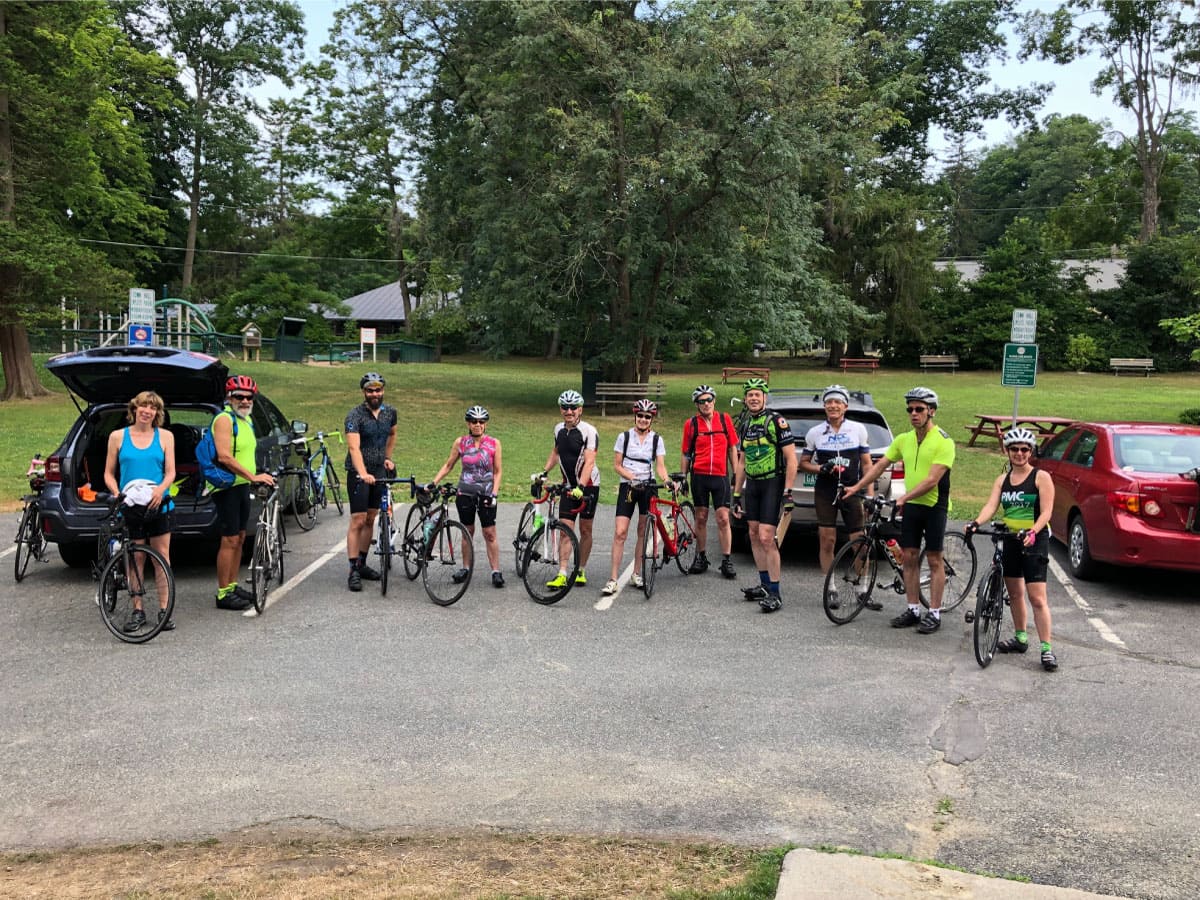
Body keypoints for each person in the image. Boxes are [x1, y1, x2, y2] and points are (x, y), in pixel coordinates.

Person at [847, 387, 954, 634]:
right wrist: (857, 487)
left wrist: (903, 498)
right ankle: (913, 609)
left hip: (934, 505)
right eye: (910, 409)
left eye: (919, 409)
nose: (913, 414)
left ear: (932, 411)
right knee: (909, 556)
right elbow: (879, 465)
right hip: (912, 506)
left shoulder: (944, 441)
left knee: (934, 559)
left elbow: (931, 481)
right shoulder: (904, 439)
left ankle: (934, 613)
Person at [965, 427, 1058, 671]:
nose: (1019, 453)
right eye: (1014, 449)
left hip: (1034, 540)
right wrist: (976, 523)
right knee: (1015, 593)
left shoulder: (1040, 477)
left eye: (1024, 449)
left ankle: (1047, 649)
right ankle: (1020, 638)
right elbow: (991, 506)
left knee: (1037, 598)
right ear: (1007, 451)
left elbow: (1047, 511)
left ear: (1031, 451)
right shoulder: (1002, 480)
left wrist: (1033, 531)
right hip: (1010, 539)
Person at [800, 384, 880, 612]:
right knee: (827, 540)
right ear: (824, 406)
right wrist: (820, 469)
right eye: (829, 402)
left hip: (852, 490)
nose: (833, 406)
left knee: (860, 543)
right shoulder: (815, 432)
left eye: (837, 402)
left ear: (845, 406)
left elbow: (867, 464)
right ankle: (831, 588)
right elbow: (804, 463)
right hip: (826, 491)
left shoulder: (857, 429)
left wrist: (870, 495)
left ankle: (862, 589)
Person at [103, 391, 176, 632]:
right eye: (143, 406)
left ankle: (164, 609)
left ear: (157, 413)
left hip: (158, 504)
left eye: (153, 408)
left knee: (161, 557)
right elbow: (108, 473)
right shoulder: (117, 437)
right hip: (130, 504)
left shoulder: (165, 436)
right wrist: (117, 493)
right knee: (136, 557)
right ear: (134, 409)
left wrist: (161, 491)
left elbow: (170, 473)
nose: (147, 411)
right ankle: (138, 609)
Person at [731, 377, 798, 612]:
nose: (753, 398)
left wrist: (788, 492)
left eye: (757, 394)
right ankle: (764, 584)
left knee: (767, 537)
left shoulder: (776, 421)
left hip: (772, 482)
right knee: (753, 534)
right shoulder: (746, 424)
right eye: (749, 395)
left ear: (764, 397)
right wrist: (737, 494)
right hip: (753, 485)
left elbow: (791, 459)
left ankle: (776, 593)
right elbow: (741, 461)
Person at [210, 375, 275, 611]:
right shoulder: (224, 419)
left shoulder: (245, 421)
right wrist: (252, 476)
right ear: (230, 397)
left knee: (238, 538)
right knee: (228, 539)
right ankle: (223, 592)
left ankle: (233, 585)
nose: (245, 400)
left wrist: (258, 474)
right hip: (227, 486)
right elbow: (224, 456)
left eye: (249, 397)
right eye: (239, 396)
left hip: (240, 486)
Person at [429, 405, 505, 588]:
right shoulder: (461, 443)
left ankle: (496, 571)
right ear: (468, 424)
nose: (477, 425)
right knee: (467, 531)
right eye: (473, 422)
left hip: (486, 493)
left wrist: (494, 493)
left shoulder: (494, 443)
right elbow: (449, 465)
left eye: (481, 421)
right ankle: (465, 568)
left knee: (490, 533)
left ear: (485, 424)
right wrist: (434, 482)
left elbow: (497, 471)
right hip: (465, 493)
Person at [602, 399, 672, 596]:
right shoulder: (624, 437)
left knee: (643, 530)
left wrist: (665, 479)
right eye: (640, 416)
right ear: (635, 417)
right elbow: (617, 465)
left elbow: (659, 465)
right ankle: (613, 579)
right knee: (620, 532)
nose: (643, 419)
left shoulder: (657, 440)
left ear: (651, 419)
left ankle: (636, 573)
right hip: (629, 486)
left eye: (647, 417)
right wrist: (631, 477)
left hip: (648, 487)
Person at [539, 389, 600, 589]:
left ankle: (580, 569)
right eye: (565, 407)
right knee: (565, 529)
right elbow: (556, 452)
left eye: (573, 407)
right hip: (568, 486)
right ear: (561, 410)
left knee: (585, 529)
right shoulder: (558, 429)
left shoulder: (589, 431)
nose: (569, 411)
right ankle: (563, 573)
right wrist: (544, 472)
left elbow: (590, 461)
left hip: (589, 485)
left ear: (580, 409)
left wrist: (581, 486)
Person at [345, 371, 398, 592]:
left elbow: (392, 434)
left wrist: (387, 458)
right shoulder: (354, 415)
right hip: (359, 472)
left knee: (371, 518)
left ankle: (362, 562)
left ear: (383, 390)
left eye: (377, 390)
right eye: (370, 390)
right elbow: (353, 447)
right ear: (364, 392)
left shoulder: (390, 413)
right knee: (358, 519)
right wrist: (363, 472)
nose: (374, 394)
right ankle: (353, 569)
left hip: (379, 470)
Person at [679, 384, 738, 579]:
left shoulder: (725, 419)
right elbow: (686, 453)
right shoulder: (692, 424)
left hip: (720, 475)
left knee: (722, 518)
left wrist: (736, 473)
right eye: (701, 401)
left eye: (709, 400)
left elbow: (732, 448)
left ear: (714, 401)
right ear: (697, 404)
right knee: (701, 517)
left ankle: (726, 560)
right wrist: (683, 477)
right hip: (699, 476)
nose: (706, 404)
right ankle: (701, 557)